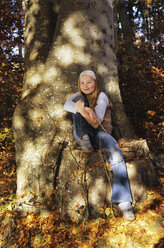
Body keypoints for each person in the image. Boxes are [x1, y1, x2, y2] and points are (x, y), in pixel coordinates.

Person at [64, 70, 135, 220]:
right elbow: (66, 105)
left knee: (116, 154)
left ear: (95, 82)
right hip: (83, 134)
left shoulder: (102, 96)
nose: (85, 85)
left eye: (89, 82)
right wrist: (84, 109)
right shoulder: (78, 96)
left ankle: (124, 201)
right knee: (77, 108)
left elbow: (97, 122)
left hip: (100, 134)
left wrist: (84, 110)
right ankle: (84, 141)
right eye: (82, 83)